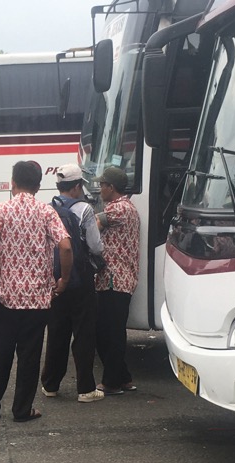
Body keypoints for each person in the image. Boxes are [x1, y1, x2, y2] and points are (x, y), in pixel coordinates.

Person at [0, 161, 72, 422]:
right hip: (37, 300)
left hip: (4, 298)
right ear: (38, 185)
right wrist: (63, 280)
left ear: (12, 182)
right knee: (29, 357)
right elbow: (66, 247)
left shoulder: (0, 209)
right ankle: (22, 410)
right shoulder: (47, 213)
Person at [41, 164, 105, 402]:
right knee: (83, 332)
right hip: (80, 278)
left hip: (55, 278)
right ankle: (86, 389)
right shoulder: (84, 209)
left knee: (57, 330)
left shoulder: (48, 209)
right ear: (77, 186)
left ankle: (50, 384)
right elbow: (95, 246)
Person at [94, 166, 140, 395]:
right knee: (112, 330)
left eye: (102, 185)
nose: (99, 189)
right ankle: (123, 377)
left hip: (114, 279)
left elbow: (92, 226)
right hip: (121, 279)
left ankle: (111, 382)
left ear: (111, 187)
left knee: (108, 332)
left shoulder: (118, 209)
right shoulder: (128, 207)